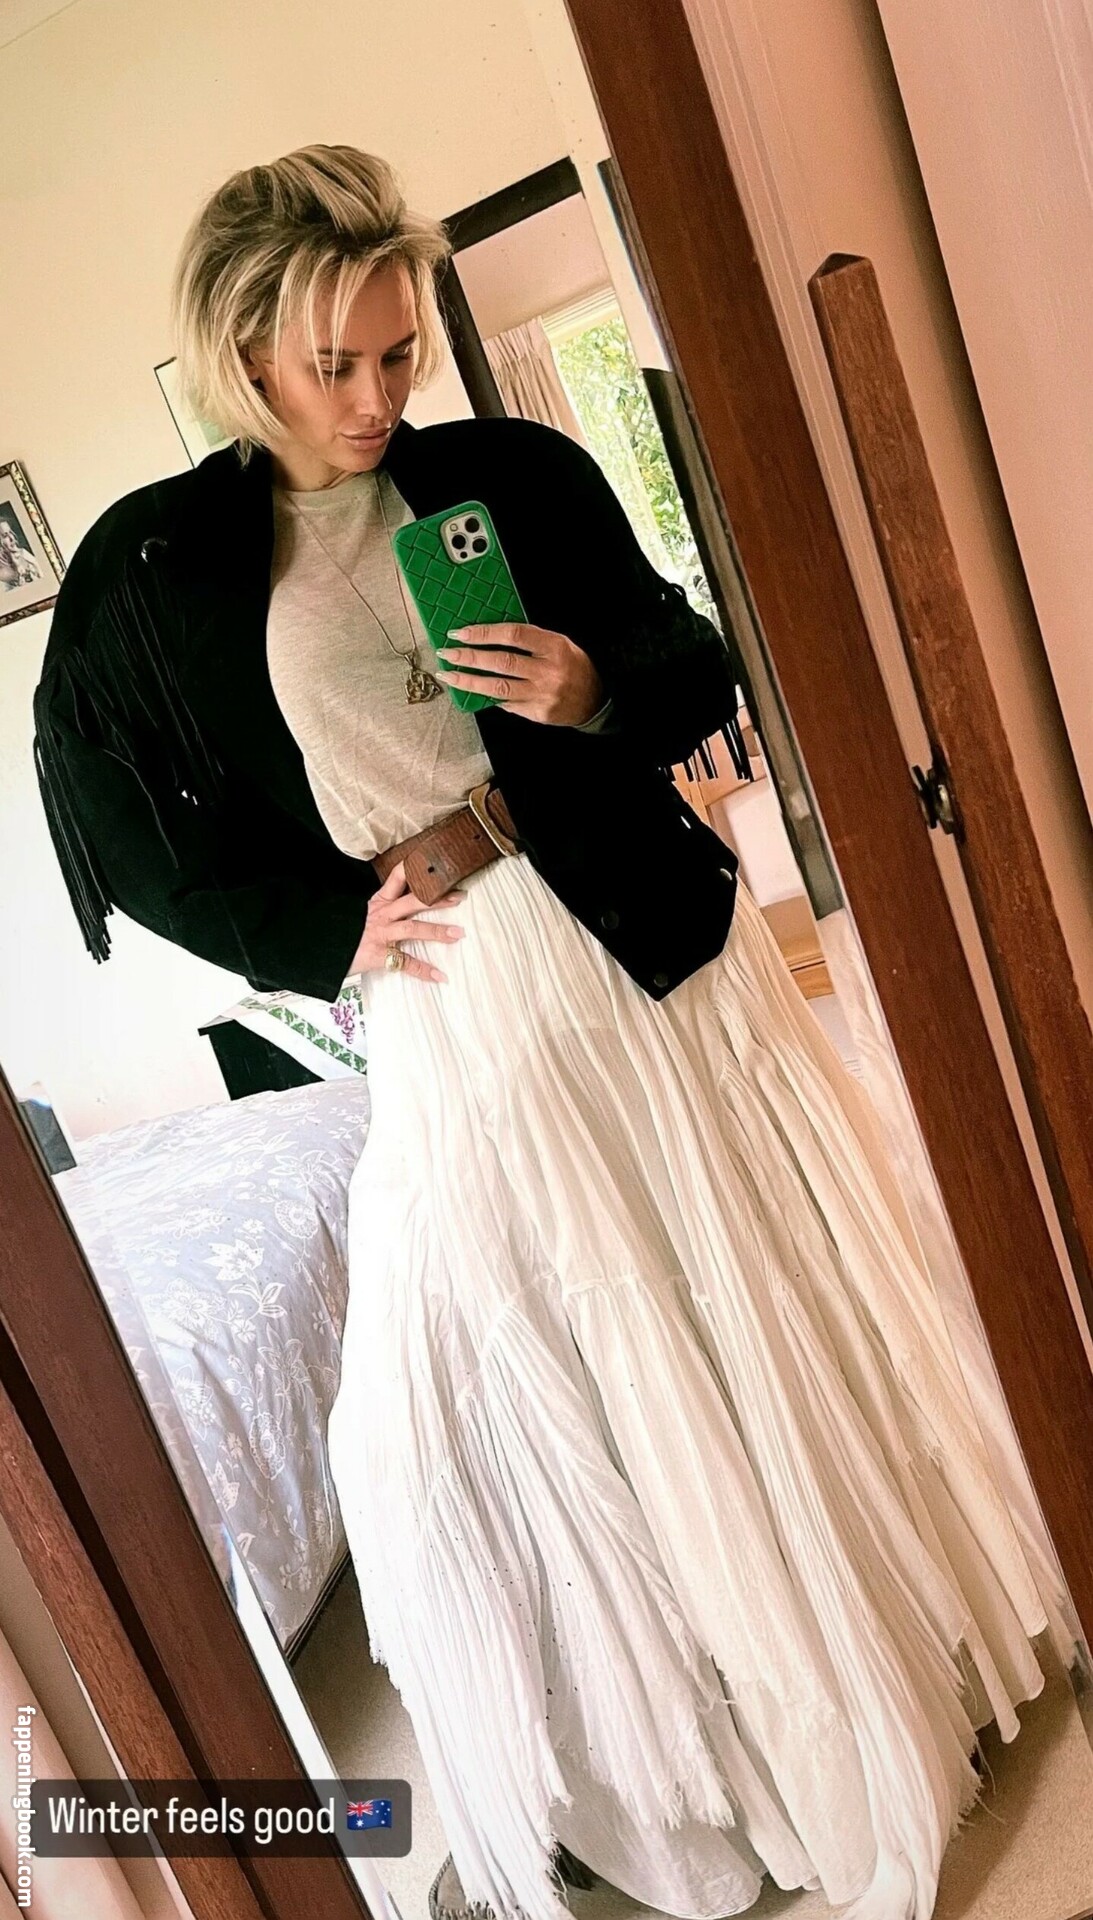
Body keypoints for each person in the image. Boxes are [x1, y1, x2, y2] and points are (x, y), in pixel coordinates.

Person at [33, 146, 1066, 1920]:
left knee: (743, 1286)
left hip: (641, 929)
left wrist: (594, 690)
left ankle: (876, 1679)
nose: (378, 394)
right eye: (335, 363)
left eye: (398, 350)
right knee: (488, 1384)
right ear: (246, 354)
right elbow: (106, 816)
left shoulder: (506, 474)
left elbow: (690, 654)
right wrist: (311, 935)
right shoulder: (161, 567)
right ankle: (696, 1754)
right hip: (454, 985)